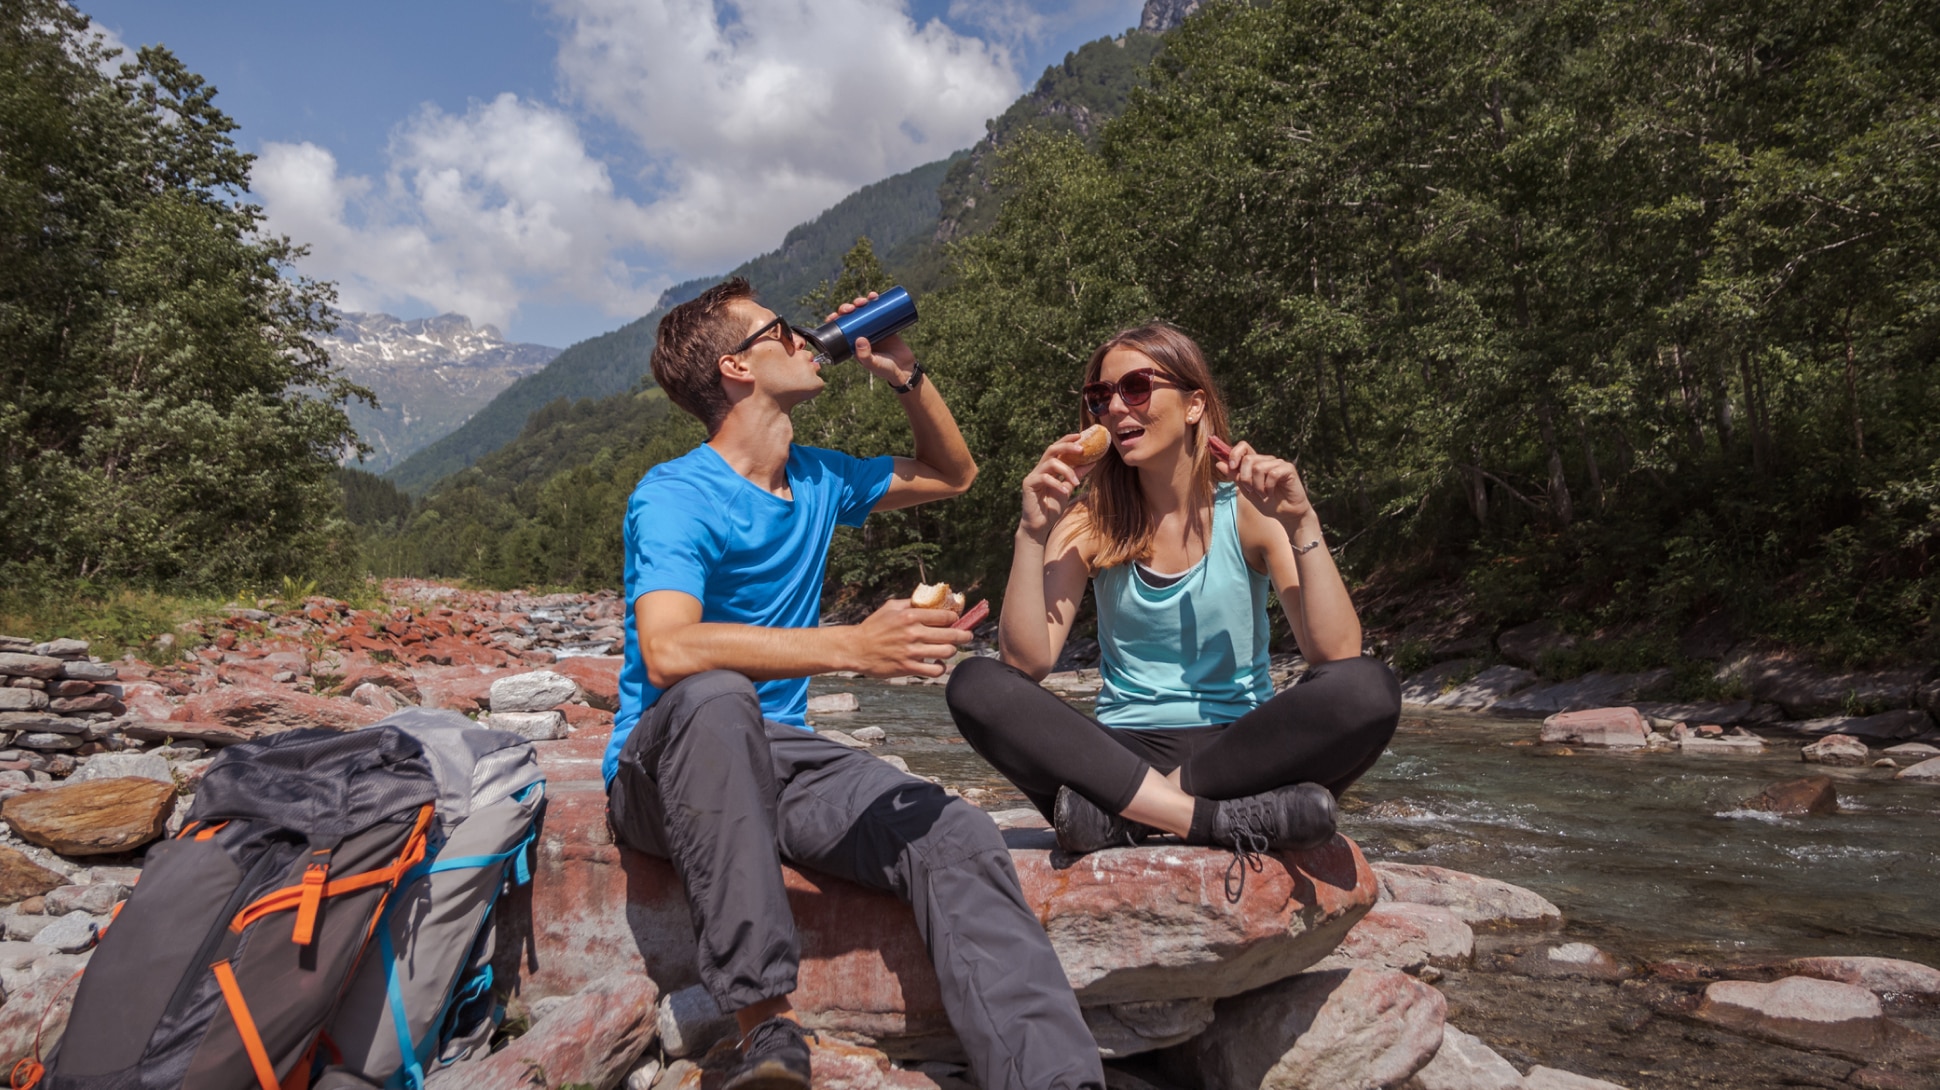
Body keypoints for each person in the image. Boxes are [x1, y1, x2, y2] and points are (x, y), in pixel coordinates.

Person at [604, 278, 1105, 1090]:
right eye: (780, 330)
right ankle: (767, 1031)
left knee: (954, 833)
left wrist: (905, 373)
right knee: (718, 695)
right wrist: (853, 646)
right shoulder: (674, 495)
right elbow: (666, 650)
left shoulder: (819, 479)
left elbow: (953, 473)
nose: (805, 337)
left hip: (781, 761)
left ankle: (1053, 1080)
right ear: (736, 367)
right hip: (669, 766)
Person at [945, 322, 1401, 899]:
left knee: (1369, 688)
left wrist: (1302, 521)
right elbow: (1026, 663)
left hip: (1243, 751)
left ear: (1194, 405)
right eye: (1100, 396)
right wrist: (1031, 533)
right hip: (1117, 756)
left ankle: (1128, 821)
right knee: (976, 684)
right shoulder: (1089, 521)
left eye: (1135, 387)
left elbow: (1335, 653)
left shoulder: (1249, 511)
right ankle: (1217, 821)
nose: (1115, 407)